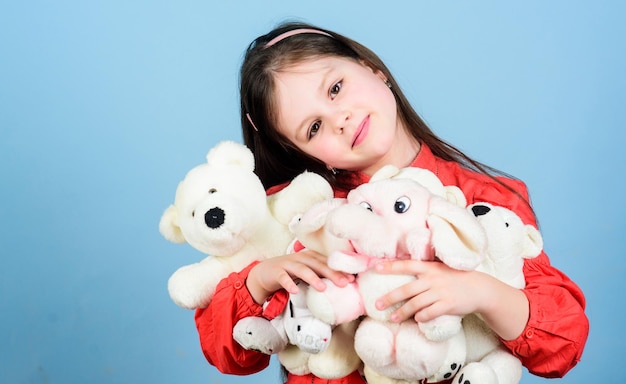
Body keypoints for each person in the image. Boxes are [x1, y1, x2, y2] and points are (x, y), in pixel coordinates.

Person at [195, 21, 589, 384]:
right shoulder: (303, 220)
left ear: (372, 69)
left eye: (336, 88)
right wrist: (261, 278)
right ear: (307, 154)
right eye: (314, 128)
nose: (340, 119)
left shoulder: (486, 201)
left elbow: (565, 341)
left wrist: (480, 291)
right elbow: (227, 353)